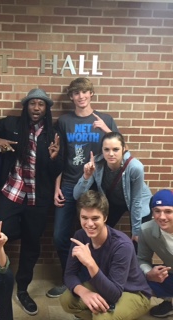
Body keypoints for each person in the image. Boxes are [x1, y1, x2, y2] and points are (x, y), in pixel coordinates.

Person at [0, 88, 63, 315]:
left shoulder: (53, 133)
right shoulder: (11, 124)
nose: (36, 108)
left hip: (38, 199)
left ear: (46, 109)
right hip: (11, 194)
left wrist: (54, 159)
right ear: (26, 106)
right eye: (32, 103)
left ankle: (22, 289)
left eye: (41, 104)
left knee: (32, 245)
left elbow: (57, 170)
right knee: (0, 238)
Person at [47, 77, 118, 298]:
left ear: (91, 94)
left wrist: (106, 130)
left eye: (85, 92)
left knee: (95, 234)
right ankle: (69, 277)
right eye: (76, 93)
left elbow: (120, 152)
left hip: (95, 187)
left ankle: (90, 277)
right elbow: (59, 156)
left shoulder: (105, 119)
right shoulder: (64, 121)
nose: (81, 96)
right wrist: (56, 187)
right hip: (68, 184)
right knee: (60, 235)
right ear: (71, 97)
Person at [60, 190, 152, 320]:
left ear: (105, 217)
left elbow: (114, 294)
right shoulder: (80, 236)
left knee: (102, 317)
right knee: (67, 300)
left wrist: (90, 263)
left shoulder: (122, 245)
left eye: (95, 218)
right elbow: (69, 274)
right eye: (84, 218)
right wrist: (84, 293)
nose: (89, 224)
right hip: (103, 283)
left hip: (133, 291)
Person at [73, 131, 152, 245]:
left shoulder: (135, 167)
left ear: (124, 149)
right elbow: (77, 195)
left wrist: (136, 232)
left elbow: (136, 201)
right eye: (106, 149)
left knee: (138, 242)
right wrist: (86, 176)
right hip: (115, 202)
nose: (111, 154)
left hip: (139, 203)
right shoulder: (97, 163)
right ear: (102, 150)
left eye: (115, 149)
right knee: (99, 232)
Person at [137, 189, 173, 318]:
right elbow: (141, 259)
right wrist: (148, 273)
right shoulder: (146, 230)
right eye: (157, 211)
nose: (162, 217)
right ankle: (169, 302)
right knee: (137, 277)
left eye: (168, 211)